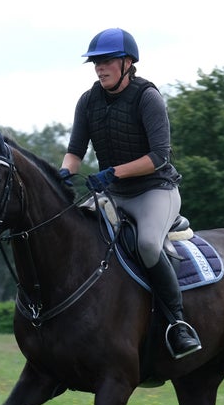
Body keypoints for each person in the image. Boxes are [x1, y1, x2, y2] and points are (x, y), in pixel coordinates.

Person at [59, 28, 202, 359]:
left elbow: (158, 157)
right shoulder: (88, 100)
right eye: (96, 62)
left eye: (106, 61)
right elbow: (75, 150)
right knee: (75, 234)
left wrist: (113, 172)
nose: (99, 68)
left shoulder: (147, 97)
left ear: (127, 63)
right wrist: (64, 172)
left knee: (148, 245)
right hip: (113, 192)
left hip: (155, 191)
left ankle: (178, 324)